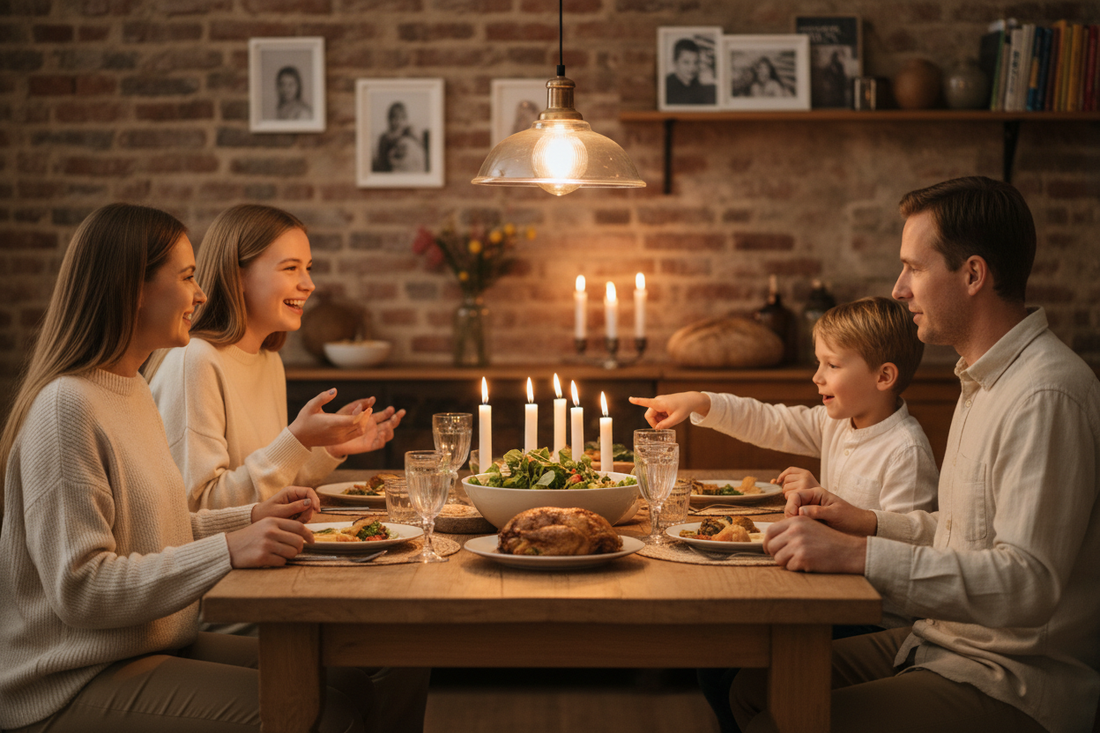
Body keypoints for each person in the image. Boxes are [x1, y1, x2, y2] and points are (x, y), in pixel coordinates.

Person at [734, 176, 1100, 732]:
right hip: (942, 640)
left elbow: (1027, 582)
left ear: (973, 274)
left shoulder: (1045, 394)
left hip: (1011, 677)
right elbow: (967, 536)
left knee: (779, 720)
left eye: (915, 267)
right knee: (751, 688)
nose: (899, 288)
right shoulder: (983, 381)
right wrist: (867, 523)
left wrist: (859, 555)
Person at [0, 203, 373, 732]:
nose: (201, 295)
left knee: (351, 683)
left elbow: (158, 529)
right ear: (134, 289)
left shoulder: (128, 388)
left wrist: (248, 519)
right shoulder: (67, 407)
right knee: (327, 714)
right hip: (70, 675)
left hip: (145, 641)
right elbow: (81, 590)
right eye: (187, 277)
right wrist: (227, 548)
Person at [630, 295, 939, 731]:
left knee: (738, 671)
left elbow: (909, 546)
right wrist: (700, 401)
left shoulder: (905, 449)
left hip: (873, 618)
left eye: (831, 365)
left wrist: (823, 502)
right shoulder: (838, 422)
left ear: (883, 376)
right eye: (819, 363)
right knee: (714, 664)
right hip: (824, 592)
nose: (817, 377)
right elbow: (769, 420)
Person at [148, 204, 405, 512]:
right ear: (238, 275)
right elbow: (199, 506)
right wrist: (297, 437)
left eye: (308, 268)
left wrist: (328, 445)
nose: (308, 284)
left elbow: (269, 485)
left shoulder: (268, 360)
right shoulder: (196, 360)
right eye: (290, 268)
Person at [373, 101, 427, 172]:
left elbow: (420, 150)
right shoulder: (384, 138)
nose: (397, 121)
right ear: (389, 120)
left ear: (405, 120)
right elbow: (381, 161)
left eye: (401, 118)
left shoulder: (410, 135)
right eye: (393, 118)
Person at [665, 37, 716, 105]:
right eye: (686, 62)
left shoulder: (699, 84)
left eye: (696, 62)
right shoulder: (667, 86)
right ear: (675, 62)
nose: (692, 68)